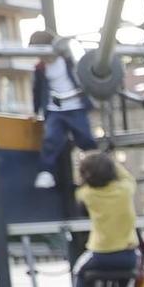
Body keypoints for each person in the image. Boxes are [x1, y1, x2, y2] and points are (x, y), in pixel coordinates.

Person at [67, 150, 142, 287]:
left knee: (78, 270)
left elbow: (77, 186)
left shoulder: (87, 194)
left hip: (100, 254)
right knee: (129, 273)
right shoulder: (125, 189)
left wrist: (82, 165)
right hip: (127, 253)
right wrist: (107, 160)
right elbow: (127, 176)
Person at [31, 31, 99, 191]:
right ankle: (46, 173)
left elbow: (85, 72)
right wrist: (36, 111)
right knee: (51, 140)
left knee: (86, 139)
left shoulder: (68, 60)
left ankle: (97, 170)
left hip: (75, 106)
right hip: (55, 109)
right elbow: (37, 90)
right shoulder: (40, 68)